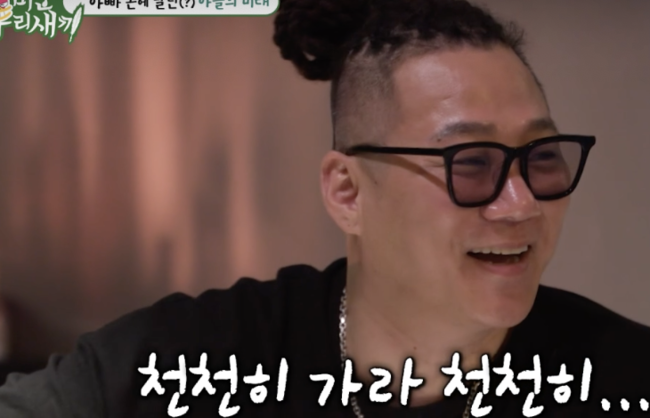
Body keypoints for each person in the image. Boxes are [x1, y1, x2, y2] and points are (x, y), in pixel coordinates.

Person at [1, 0, 649, 417]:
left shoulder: (621, 377)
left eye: (541, 156)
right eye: (470, 162)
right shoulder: (192, 360)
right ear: (348, 192)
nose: (521, 202)